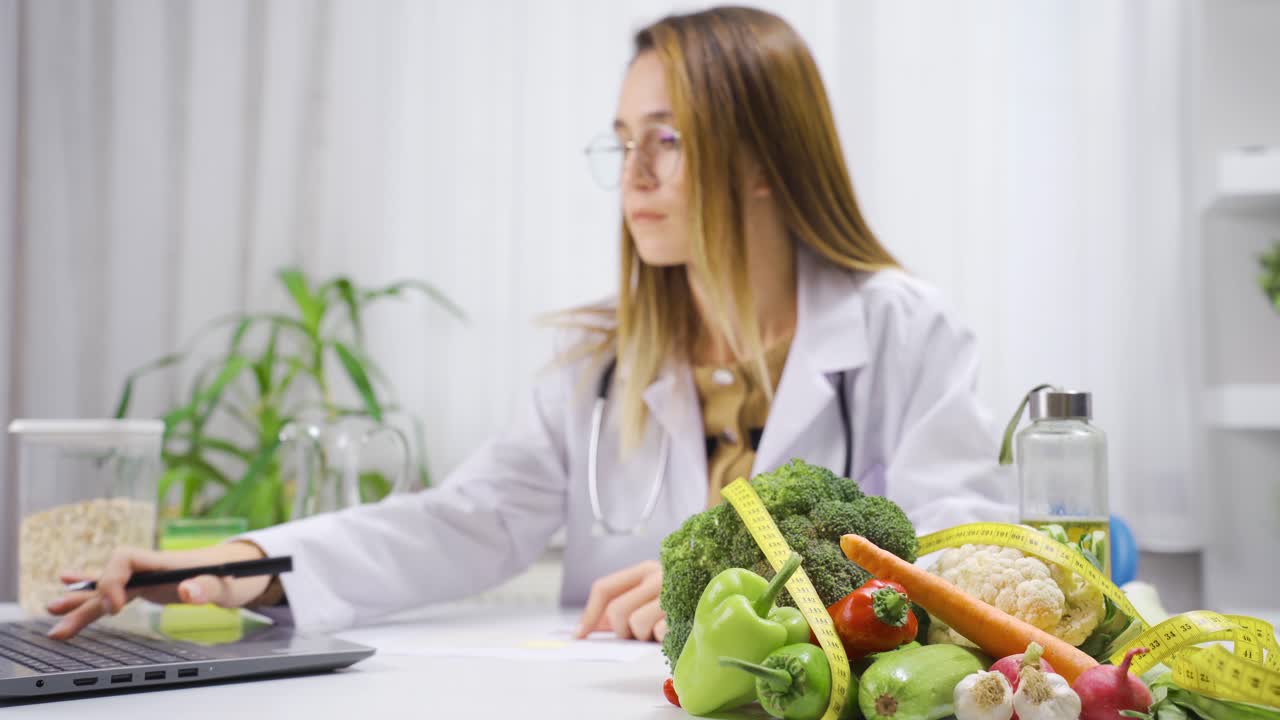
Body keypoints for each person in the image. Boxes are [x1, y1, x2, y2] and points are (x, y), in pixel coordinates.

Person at [46, 6, 1010, 644]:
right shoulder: (600, 362)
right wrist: (247, 562)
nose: (634, 176)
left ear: (765, 160)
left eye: (667, 142)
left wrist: (770, 582)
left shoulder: (903, 333)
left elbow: (968, 551)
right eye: (624, 143)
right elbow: (461, 522)